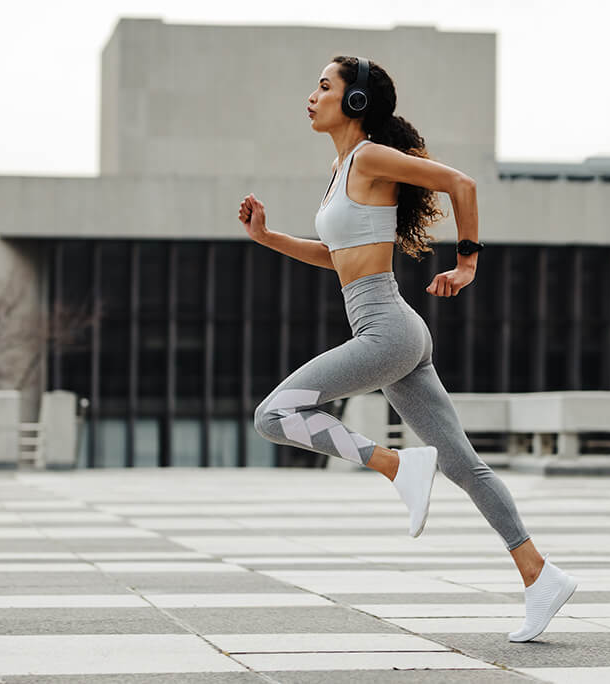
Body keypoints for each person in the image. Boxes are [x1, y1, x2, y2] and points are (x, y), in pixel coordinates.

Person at [239, 55, 576, 642]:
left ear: (356, 102)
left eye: (324, 86)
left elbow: (460, 183)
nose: (311, 96)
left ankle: (397, 465)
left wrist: (467, 261)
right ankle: (539, 575)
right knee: (463, 464)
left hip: (387, 332)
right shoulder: (344, 169)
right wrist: (268, 238)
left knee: (275, 414)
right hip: (398, 329)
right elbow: (336, 257)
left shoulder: (367, 156)